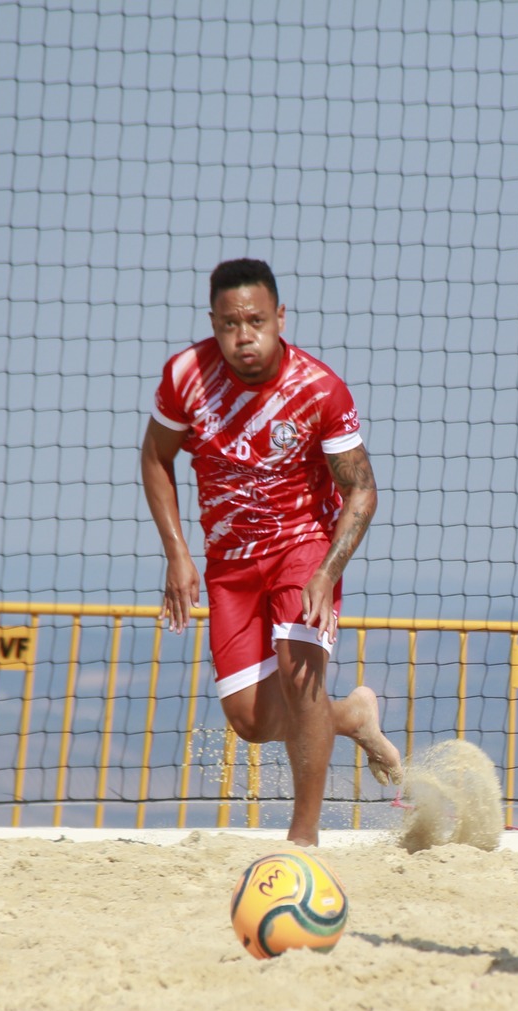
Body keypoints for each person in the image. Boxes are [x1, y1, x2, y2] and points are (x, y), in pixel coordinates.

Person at [140, 257, 402, 846]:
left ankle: (303, 839)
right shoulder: (186, 376)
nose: (243, 337)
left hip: (302, 549)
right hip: (229, 565)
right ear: (213, 322)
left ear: (280, 317)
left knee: (298, 673)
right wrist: (177, 554)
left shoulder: (319, 389)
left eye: (256, 320)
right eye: (230, 324)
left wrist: (327, 570)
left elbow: (362, 489)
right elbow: (155, 457)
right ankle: (352, 717)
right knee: (251, 721)